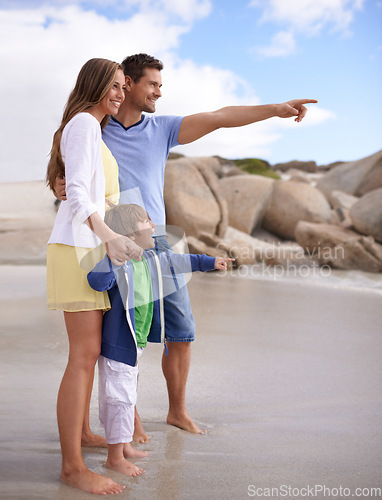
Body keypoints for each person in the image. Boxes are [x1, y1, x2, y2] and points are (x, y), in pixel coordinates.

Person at [54, 53, 317, 436]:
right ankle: (131, 418)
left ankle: (178, 410)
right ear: (128, 83)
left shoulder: (161, 128)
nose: (160, 92)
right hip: (115, 245)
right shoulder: (95, 126)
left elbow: (220, 116)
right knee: (124, 336)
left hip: (160, 240)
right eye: (153, 84)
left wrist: (276, 109)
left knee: (181, 330)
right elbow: (66, 174)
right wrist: (57, 186)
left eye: (161, 85)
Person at [46, 58, 143, 495]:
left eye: (124, 86)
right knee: (83, 357)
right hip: (80, 250)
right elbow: (81, 194)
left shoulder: (89, 127)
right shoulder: (85, 124)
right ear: (95, 85)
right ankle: (72, 467)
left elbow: (79, 188)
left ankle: (84, 435)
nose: (120, 93)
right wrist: (108, 236)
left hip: (86, 248)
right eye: (114, 85)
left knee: (86, 354)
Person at [87, 204, 233, 475]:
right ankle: (114, 458)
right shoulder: (120, 262)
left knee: (125, 397)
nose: (154, 226)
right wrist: (111, 261)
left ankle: (124, 447)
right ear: (130, 235)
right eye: (146, 223)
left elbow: (179, 261)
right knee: (118, 399)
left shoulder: (151, 258)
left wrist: (210, 262)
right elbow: (96, 281)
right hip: (119, 345)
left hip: (136, 344)